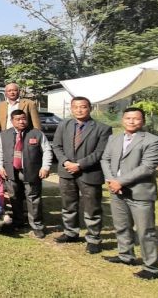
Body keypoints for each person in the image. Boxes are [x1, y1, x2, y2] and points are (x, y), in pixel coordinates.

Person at [100, 107, 158, 280]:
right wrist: (111, 180)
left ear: (142, 121)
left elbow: (147, 167)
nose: (131, 121)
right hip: (117, 191)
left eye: (136, 118)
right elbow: (105, 159)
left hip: (140, 193)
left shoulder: (154, 141)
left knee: (145, 231)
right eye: (128, 118)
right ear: (122, 120)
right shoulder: (114, 138)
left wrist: (119, 182)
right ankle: (125, 255)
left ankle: (151, 268)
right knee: (122, 226)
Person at [51, 96, 112, 254]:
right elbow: (56, 146)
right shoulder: (64, 125)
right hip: (66, 171)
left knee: (92, 207)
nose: (79, 110)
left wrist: (79, 165)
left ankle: (93, 239)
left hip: (89, 172)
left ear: (90, 108)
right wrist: (65, 162)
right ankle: (71, 232)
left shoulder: (102, 128)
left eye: (83, 107)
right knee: (68, 204)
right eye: (76, 107)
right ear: (71, 109)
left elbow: (100, 152)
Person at [0, 110, 53, 238]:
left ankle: (37, 226)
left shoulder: (36, 133)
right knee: (14, 197)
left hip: (32, 171)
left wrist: (45, 167)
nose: (21, 121)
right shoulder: (4, 134)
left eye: (23, 118)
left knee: (33, 199)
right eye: (18, 119)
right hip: (11, 171)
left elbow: (47, 150)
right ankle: (18, 222)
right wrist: (0, 167)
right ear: (12, 121)